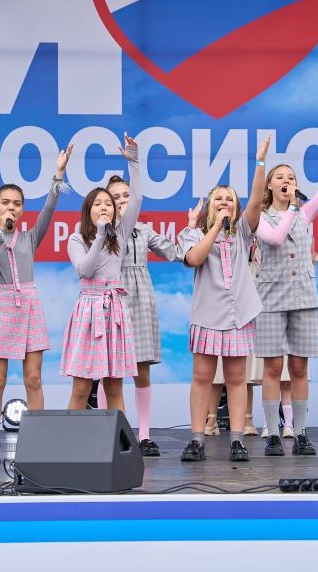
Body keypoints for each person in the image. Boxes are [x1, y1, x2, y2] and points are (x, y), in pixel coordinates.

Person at [255, 119, 318, 457]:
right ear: (270, 185)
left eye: (292, 178)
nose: (287, 181)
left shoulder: (305, 212)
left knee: (299, 367)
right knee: (272, 367)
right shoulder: (260, 217)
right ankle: (272, 432)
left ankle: (300, 432)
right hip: (271, 298)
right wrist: (294, 208)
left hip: (304, 297)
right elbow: (275, 238)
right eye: (280, 177)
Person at [0, 147, 72, 465]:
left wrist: (58, 174)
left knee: (33, 378)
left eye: (17, 204)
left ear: (22, 209)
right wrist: (1, 232)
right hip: (2, 305)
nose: (11, 208)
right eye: (6, 203)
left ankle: (37, 441)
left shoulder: (30, 237)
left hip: (29, 305)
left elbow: (50, 208)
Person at [177, 136, 270, 463]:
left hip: (238, 316)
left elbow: (256, 201)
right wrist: (214, 228)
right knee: (202, 378)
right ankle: (197, 439)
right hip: (207, 316)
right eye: (219, 198)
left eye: (230, 199)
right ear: (209, 205)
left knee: (236, 379)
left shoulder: (243, 232)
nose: (225, 202)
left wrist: (260, 163)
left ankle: (237, 440)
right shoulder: (193, 234)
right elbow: (195, 258)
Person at [62, 135, 140, 412]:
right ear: (88, 210)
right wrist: (99, 235)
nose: (104, 207)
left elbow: (137, 199)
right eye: (98, 203)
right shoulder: (76, 239)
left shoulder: (121, 232)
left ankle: (117, 438)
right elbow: (85, 270)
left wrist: (134, 162)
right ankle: (71, 438)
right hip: (88, 310)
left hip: (114, 310)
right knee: (81, 387)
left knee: (114, 386)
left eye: (108, 203)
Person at [106, 173, 182, 457]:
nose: (122, 201)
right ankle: (111, 434)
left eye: (127, 195)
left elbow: (175, 252)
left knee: (142, 370)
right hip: (113, 298)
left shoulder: (145, 230)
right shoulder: (104, 232)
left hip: (141, 299)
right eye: (116, 197)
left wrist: (193, 230)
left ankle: (145, 435)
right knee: (110, 373)